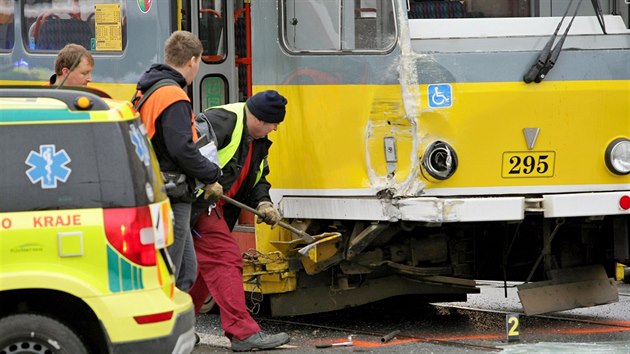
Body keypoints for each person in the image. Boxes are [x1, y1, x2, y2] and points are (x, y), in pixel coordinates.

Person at [188, 90, 290, 352]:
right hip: (199, 204)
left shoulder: (258, 138)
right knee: (225, 258)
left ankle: (179, 329)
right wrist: (208, 181)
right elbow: (188, 154)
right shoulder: (222, 122)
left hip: (215, 206)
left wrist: (264, 202)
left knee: (201, 270)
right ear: (258, 118)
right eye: (273, 123)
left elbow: (257, 178)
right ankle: (242, 332)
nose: (276, 129)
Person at [134, 31, 222, 292]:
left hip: (158, 186)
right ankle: (167, 330)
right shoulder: (173, 96)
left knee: (185, 272)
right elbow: (182, 149)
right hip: (173, 191)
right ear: (193, 61)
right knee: (172, 272)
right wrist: (211, 174)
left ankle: (182, 331)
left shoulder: (148, 88)